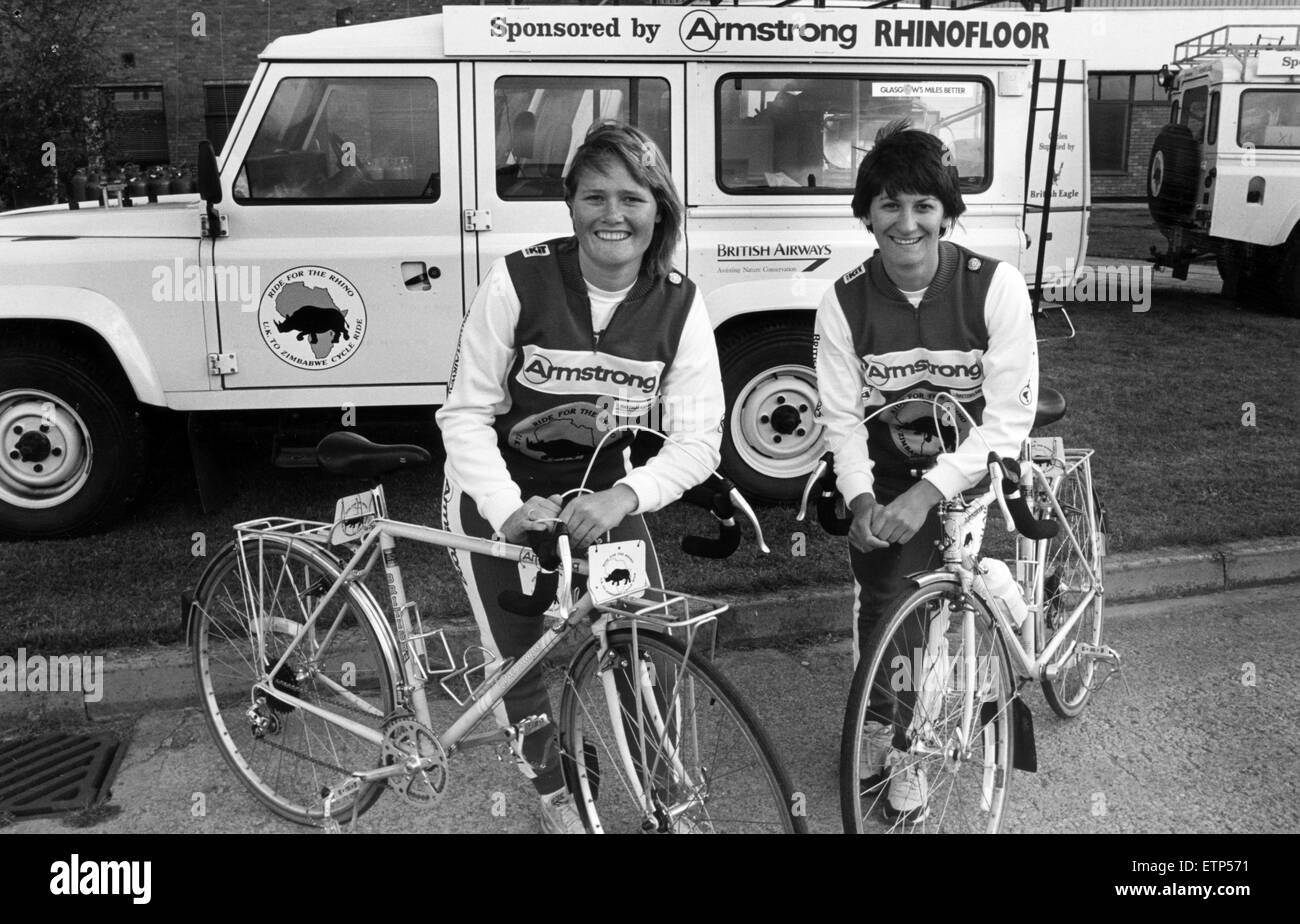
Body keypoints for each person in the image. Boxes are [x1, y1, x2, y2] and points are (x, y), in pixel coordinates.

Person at [436, 122, 724, 834]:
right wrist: (505, 507)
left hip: (603, 494)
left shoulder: (681, 304)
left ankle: (667, 794)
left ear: (660, 209)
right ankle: (558, 790)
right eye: (594, 196)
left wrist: (626, 495)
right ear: (570, 205)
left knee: (635, 649)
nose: (612, 215)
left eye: (632, 197)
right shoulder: (517, 278)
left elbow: (699, 440)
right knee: (518, 654)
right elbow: (464, 413)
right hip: (498, 493)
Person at [813, 121, 1038, 825]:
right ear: (867, 213)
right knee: (881, 602)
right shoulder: (843, 299)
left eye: (922, 206)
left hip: (965, 471)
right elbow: (841, 417)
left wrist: (929, 491)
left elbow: (1005, 421)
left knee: (939, 608)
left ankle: (919, 750)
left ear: (946, 212)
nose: (905, 223)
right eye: (888, 205)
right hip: (880, 473)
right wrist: (858, 498)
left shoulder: (994, 286)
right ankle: (879, 719)